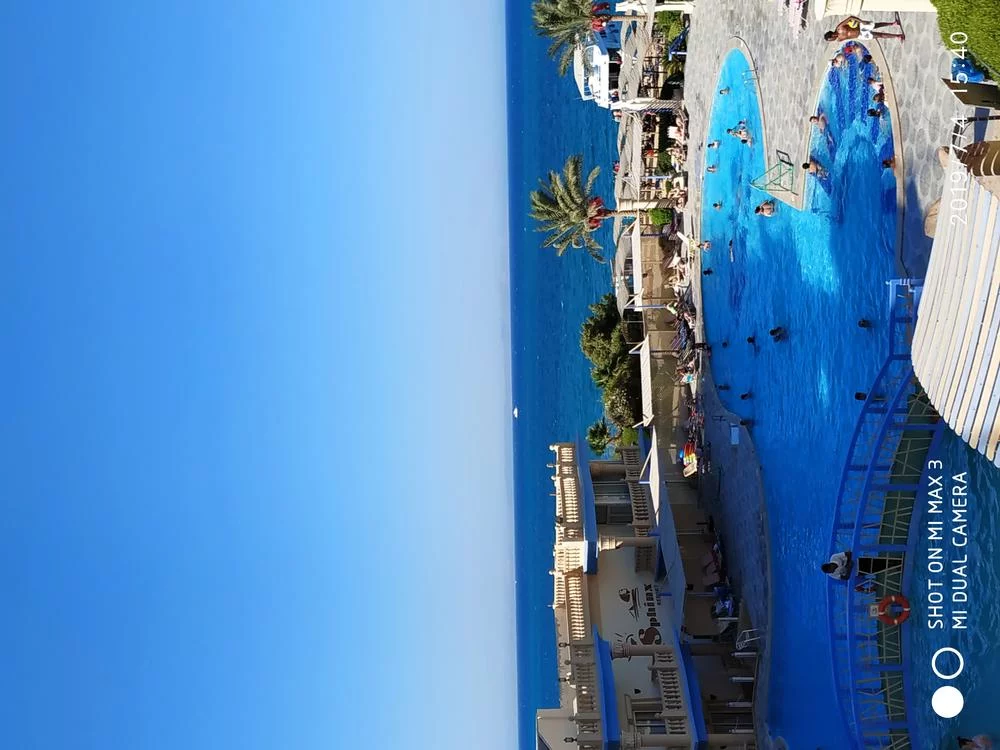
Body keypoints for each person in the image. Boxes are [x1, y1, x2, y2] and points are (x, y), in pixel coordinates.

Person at [824, 14, 904, 42]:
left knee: (877, 25)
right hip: (860, 36)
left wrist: (861, 21)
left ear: (832, 35)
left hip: (861, 26)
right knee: (880, 35)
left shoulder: (839, 28)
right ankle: (897, 36)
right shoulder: (839, 39)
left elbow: (850, 18)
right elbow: (850, 37)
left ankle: (892, 23)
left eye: (831, 39)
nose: (832, 41)